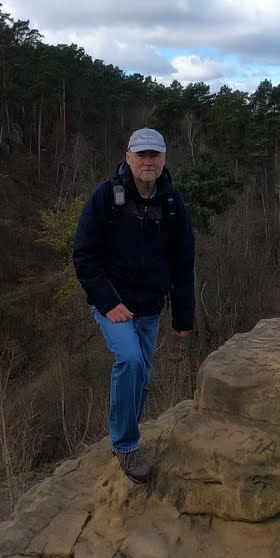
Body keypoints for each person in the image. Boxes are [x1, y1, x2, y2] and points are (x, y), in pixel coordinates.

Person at [73, 127, 195, 483]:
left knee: (142, 374)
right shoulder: (106, 197)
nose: (147, 161)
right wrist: (108, 302)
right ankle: (125, 444)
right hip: (113, 302)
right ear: (128, 157)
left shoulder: (172, 203)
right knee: (129, 360)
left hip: (150, 305)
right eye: (141, 154)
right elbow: (84, 256)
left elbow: (183, 261)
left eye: (154, 155)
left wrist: (183, 314)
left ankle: (128, 434)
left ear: (164, 160)